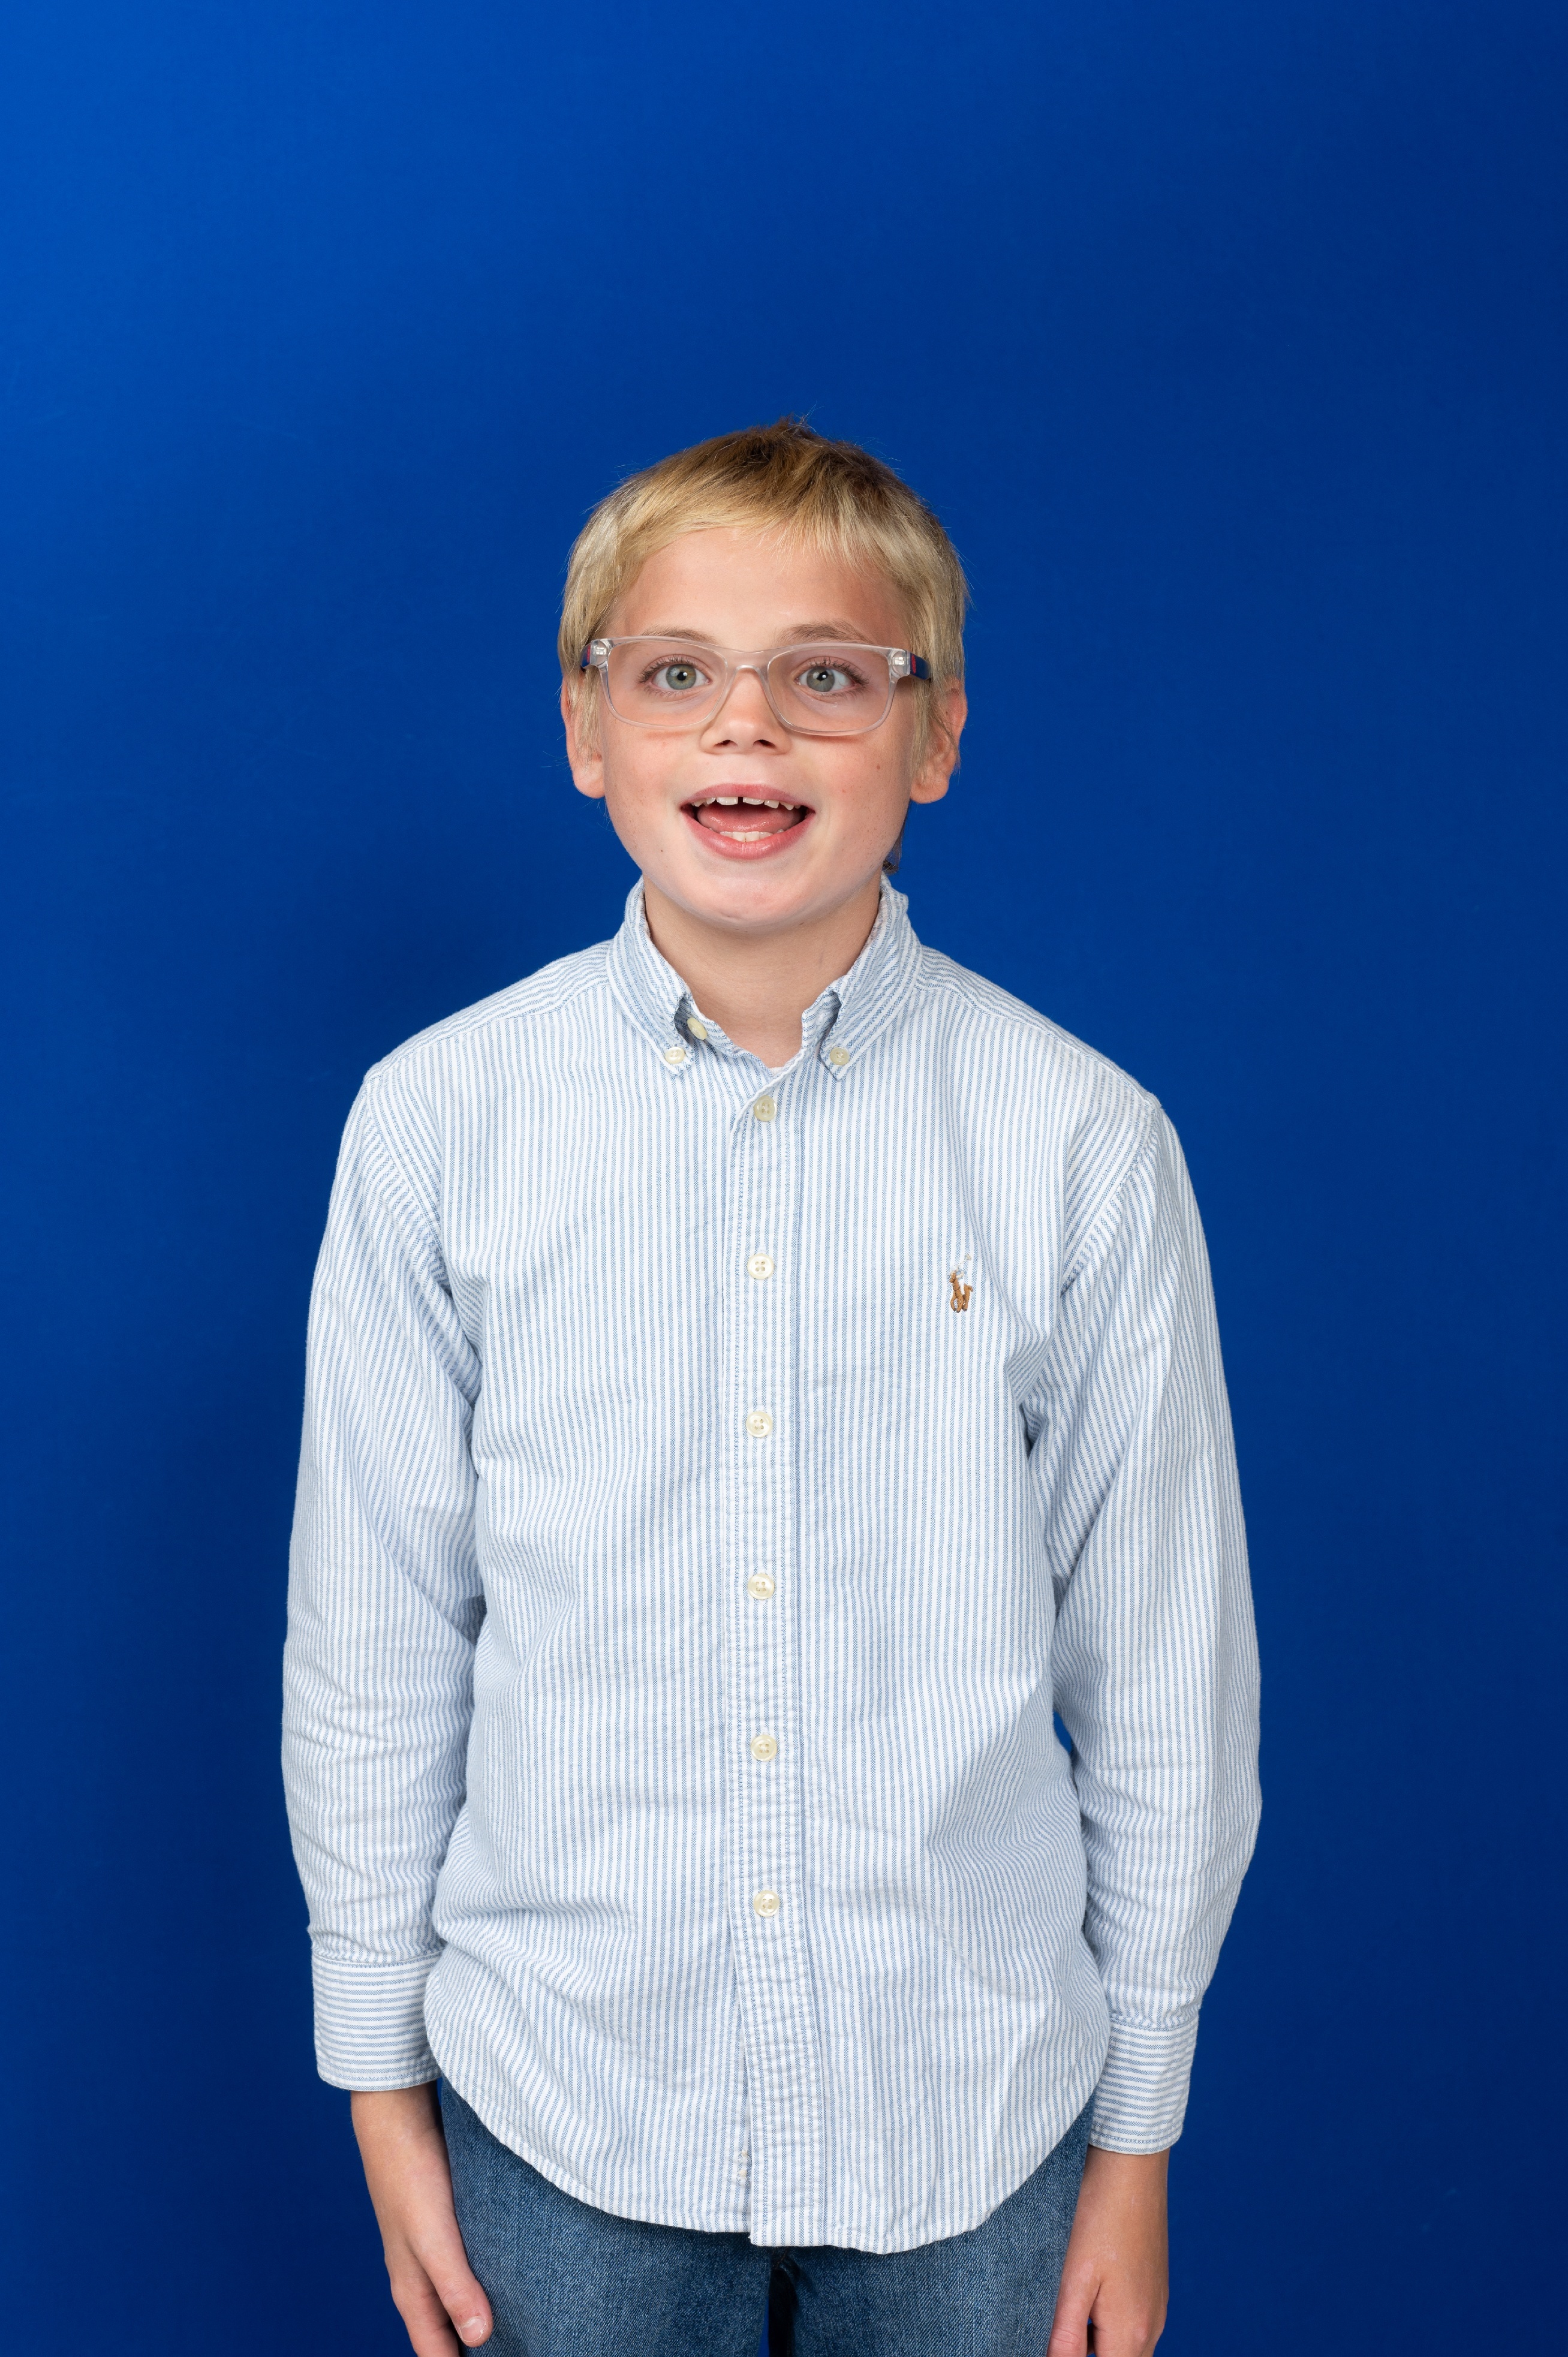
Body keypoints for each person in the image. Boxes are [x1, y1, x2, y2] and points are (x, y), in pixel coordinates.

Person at [282, 419, 1261, 2357]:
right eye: (676, 674)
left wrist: (1136, 2135)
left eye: (828, 674)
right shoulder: (438, 1123)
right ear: (587, 727)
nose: (749, 727)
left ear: (935, 733)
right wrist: (380, 2084)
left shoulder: (1080, 1142)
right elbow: (375, 1638)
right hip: (563, 2101)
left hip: (977, 2110)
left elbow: (1167, 1674)